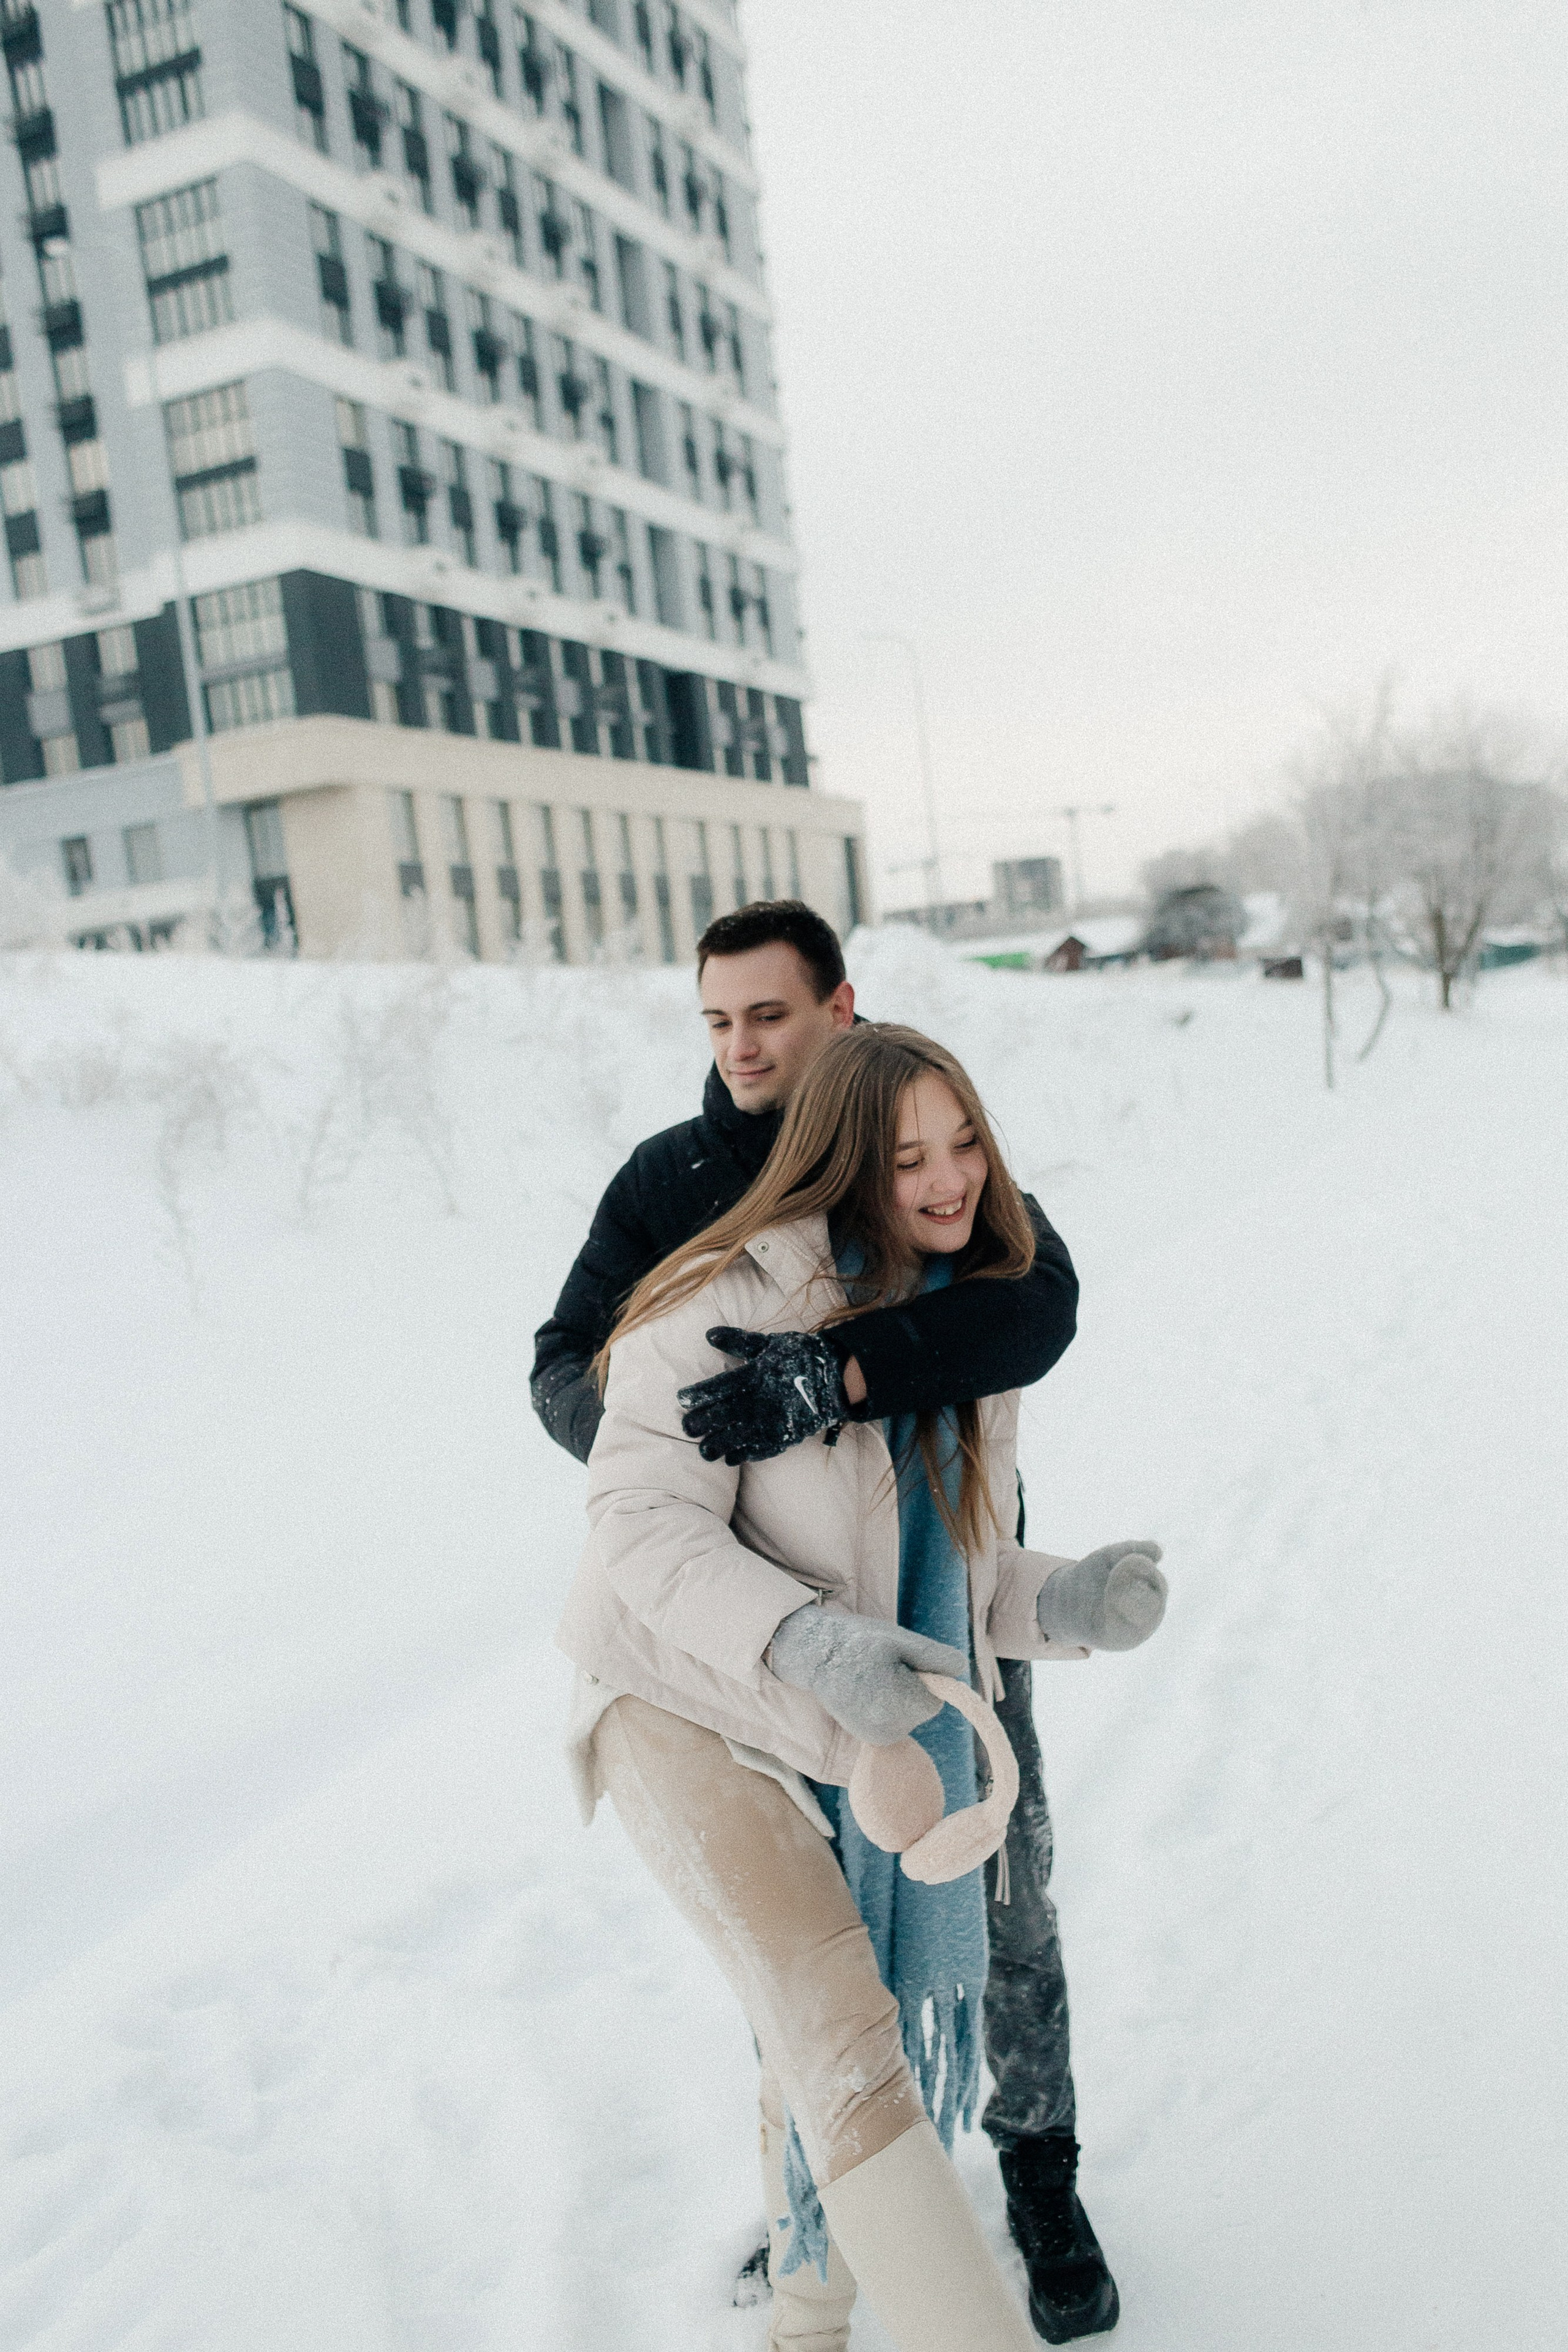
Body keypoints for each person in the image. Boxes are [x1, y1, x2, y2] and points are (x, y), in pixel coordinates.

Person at [532, 903, 1119, 2342]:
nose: (739, 1048)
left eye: (768, 1017)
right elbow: (578, 1373)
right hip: (756, 1624)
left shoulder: (926, 1149)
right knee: (809, 1947)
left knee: (998, 1883)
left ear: (837, 1010)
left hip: (938, 1576)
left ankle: (1037, 2169)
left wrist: (836, 1378)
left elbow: (1029, 1305)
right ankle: (824, 2204)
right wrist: (696, 1454)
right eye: (717, 1022)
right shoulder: (675, 1187)